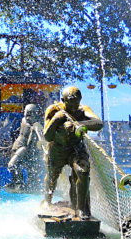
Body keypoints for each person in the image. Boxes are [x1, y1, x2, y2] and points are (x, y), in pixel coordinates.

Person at [43, 86, 104, 219]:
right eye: (70, 103)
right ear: (63, 100)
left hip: (76, 148)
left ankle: (81, 209)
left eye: (76, 102)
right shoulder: (54, 110)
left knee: (83, 172)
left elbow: (98, 123)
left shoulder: (83, 110)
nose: (74, 106)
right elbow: (47, 136)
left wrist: (79, 124)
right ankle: (47, 201)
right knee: (52, 176)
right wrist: (57, 120)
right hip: (57, 149)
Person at [8, 103, 44, 191]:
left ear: (36, 114)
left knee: (14, 165)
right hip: (18, 146)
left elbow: (31, 142)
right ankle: (17, 183)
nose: (28, 116)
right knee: (15, 165)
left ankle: (21, 184)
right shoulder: (25, 120)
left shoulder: (36, 126)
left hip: (24, 148)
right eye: (26, 113)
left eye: (30, 114)